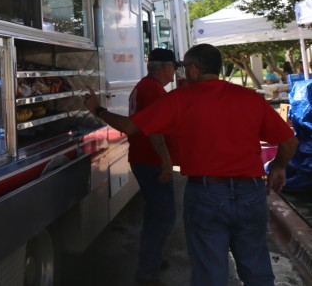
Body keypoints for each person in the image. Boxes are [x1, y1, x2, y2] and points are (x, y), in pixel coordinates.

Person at [84, 44, 298, 286]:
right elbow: (289, 142)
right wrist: (278, 167)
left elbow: (130, 127)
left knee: (210, 272)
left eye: (184, 68)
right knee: (257, 269)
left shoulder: (180, 99)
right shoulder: (249, 97)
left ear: (195, 68)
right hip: (251, 193)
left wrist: (97, 109)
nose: (182, 73)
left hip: (206, 194)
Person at [128, 48, 181, 285]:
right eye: (174, 66)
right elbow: (154, 130)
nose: (175, 72)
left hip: (145, 159)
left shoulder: (147, 87)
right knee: (164, 216)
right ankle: (148, 270)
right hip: (150, 161)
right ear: (165, 67)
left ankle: (152, 259)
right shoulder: (152, 90)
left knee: (155, 215)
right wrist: (166, 161)